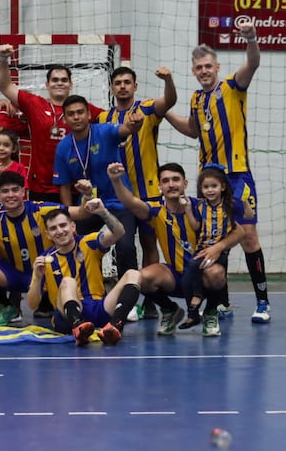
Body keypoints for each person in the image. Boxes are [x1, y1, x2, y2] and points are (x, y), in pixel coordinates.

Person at [164, 22, 270, 323]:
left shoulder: (233, 86)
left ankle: (262, 302)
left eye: (208, 66)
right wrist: (165, 113)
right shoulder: (197, 99)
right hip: (207, 179)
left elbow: (253, 62)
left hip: (237, 176)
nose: (204, 71)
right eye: (198, 68)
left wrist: (250, 38)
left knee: (248, 236)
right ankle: (219, 302)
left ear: (217, 66)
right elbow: (193, 130)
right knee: (210, 235)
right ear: (194, 71)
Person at [108, 162, 243, 336]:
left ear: (185, 184)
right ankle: (170, 310)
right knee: (142, 277)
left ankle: (210, 313)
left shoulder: (202, 206)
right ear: (160, 186)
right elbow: (131, 202)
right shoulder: (156, 211)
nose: (171, 184)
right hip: (174, 276)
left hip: (202, 275)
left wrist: (219, 247)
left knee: (217, 273)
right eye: (165, 181)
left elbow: (240, 232)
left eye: (175, 179)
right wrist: (116, 180)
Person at [99, 65, 178, 318]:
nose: (122, 86)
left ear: (135, 86)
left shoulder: (147, 109)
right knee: (124, 245)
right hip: (119, 194)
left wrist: (168, 80)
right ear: (112, 88)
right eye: (118, 82)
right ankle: (127, 298)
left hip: (149, 192)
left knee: (149, 244)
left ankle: (151, 301)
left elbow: (170, 100)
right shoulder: (103, 118)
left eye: (127, 82)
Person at [0, 171, 88, 326]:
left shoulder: (42, 210)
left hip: (46, 276)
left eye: (15, 190)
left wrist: (88, 196)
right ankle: (6, 307)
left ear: (23, 192)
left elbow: (81, 213)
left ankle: (61, 306)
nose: (10, 195)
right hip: (16, 275)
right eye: (5, 191)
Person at [53, 94, 144, 282]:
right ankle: (82, 291)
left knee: (125, 247)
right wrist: (68, 219)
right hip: (88, 207)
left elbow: (126, 129)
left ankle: (129, 298)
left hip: (119, 202)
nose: (76, 117)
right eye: (71, 114)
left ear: (88, 115)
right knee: (74, 245)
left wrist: (134, 124)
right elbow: (64, 187)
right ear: (66, 119)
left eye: (80, 112)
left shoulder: (105, 131)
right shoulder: (63, 147)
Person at [0, 44, 103, 201]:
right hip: (41, 185)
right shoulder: (35, 104)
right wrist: (3, 59)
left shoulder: (82, 108)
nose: (59, 83)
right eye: (55, 80)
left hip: (76, 185)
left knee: (75, 225)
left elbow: (112, 118)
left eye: (64, 80)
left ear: (70, 85)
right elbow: (5, 86)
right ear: (47, 85)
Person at [27, 204, 142, 346]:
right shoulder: (44, 260)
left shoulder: (89, 243)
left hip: (98, 308)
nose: (60, 231)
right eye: (53, 228)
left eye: (63, 225)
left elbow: (119, 232)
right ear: (47, 234)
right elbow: (32, 305)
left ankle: (114, 326)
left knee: (133, 274)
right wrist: (38, 277)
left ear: (73, 227)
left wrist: (103, 212)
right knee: (68, 281)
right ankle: (77, 325)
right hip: (66, 318)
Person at [178, 164, 251, 328]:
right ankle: (193, 314)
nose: (210, 190)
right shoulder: (200, 206)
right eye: (205, 187)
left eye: (214, 186)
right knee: (190, 272)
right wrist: (188, 210)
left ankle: (200, 300)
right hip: (202, 248)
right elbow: (196, 226)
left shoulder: (230, 204)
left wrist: (245, 201)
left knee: (212, 273)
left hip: (221, 251)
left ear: (223, 187)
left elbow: (249, 215)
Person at [0, 129, 28, 210]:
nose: (1, 148)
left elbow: (23, 193)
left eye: (6, 145)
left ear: (14, 149)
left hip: (15, 210)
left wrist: (1, 177)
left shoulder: (19, 167)